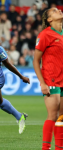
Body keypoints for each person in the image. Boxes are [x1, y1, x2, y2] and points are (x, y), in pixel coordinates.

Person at [33, 8, 63, 150]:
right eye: (55, 11)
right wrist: (42, 83)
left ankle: (59, 147)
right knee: (52, 115)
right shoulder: (45, 35)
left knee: (61, 117)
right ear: (49, 19)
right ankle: (45, 148)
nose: (59, 11)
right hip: (51, 79)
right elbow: (36, 60)